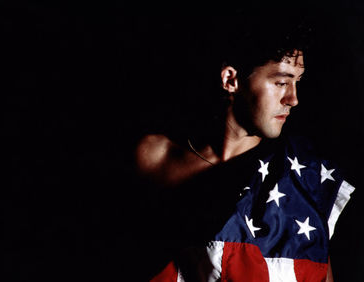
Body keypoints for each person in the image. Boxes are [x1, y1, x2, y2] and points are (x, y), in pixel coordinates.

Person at [132, 9, 355, 282]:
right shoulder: (154, 156)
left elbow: (317, 272)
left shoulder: (303, 177)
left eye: (297, 82)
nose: (293, 98)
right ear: (231, 80)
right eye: (282, 82)